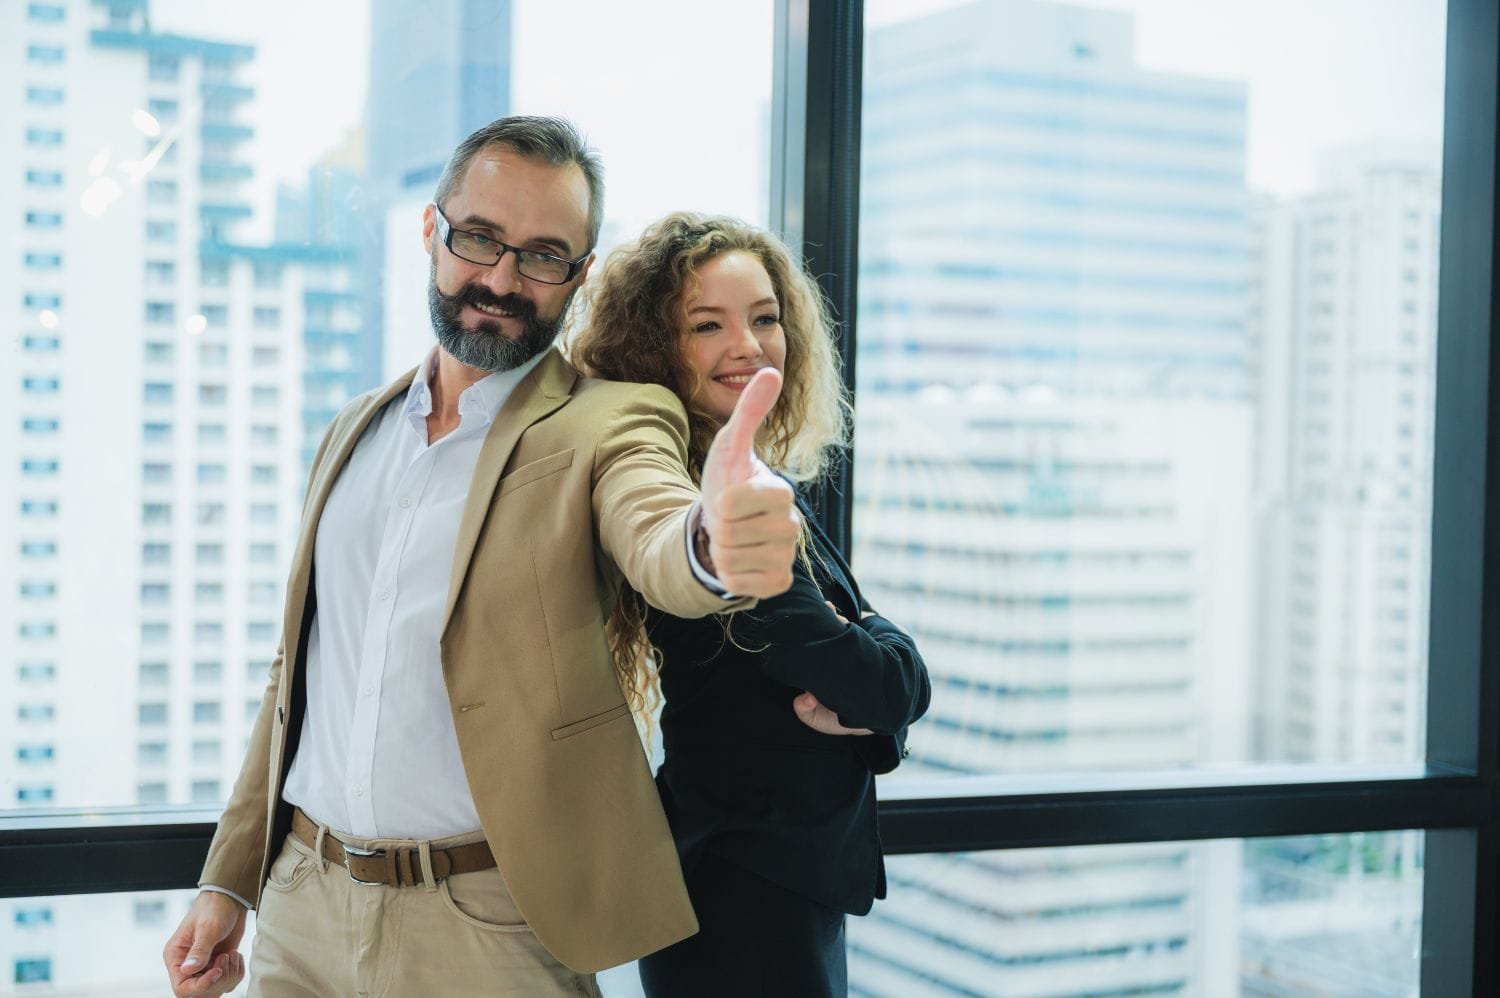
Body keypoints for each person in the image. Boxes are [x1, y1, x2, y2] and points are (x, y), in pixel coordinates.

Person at [160, 118, 804, 998]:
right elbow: (297, 676)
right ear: (432, 232)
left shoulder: (608, 422)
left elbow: (656, 526)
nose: (502, 280)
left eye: (543, 256)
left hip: (483, 930)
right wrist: (228, 879)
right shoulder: (356, 430)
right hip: (301, 910)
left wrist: (710, 543)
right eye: (479, 239)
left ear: (577, 276)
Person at [571, 212, 932, 997]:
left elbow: (876, 674)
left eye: (764, 318)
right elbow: (883, 681)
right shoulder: (712, 503)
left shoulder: (761, 481)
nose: (749, 345)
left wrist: (873, 669)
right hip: (741, 900)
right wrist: (875, 668)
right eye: (707, 325)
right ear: (655, 349)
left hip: (772, 884)